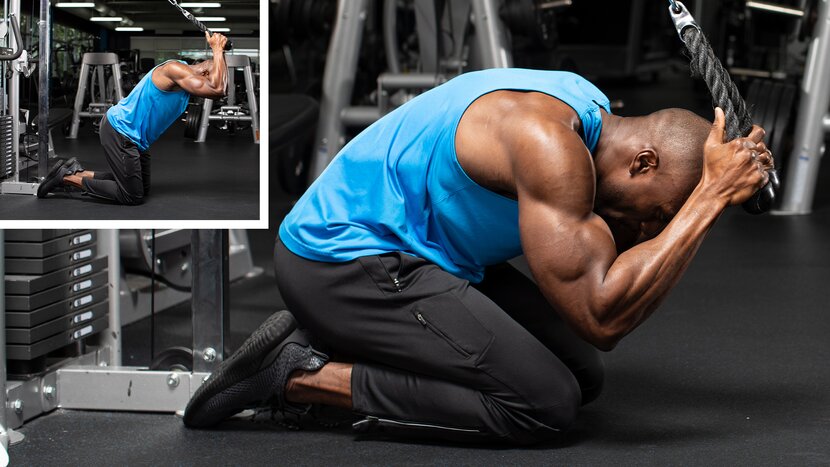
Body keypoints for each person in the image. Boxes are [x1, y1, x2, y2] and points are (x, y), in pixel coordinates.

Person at [183, 69, 773, 444]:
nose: (650, 229)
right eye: (659, 212)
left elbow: (599, 316)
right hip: (340, 259)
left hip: (430, 251)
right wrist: (711, 197)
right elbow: (602, 316)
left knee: (582, 378)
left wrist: (702, 197)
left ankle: (349, 340)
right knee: (544, 405)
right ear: (642, 162)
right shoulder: (550, 148)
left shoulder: (589, 111)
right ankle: (297, 376)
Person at [36, 32, 229, 205]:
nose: (206, 89)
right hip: (121, 131)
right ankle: (66, 178)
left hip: (136, 140)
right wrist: (217, 50)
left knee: (141, 188)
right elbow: (217, 89)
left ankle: (78, 172)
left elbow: (222, 87)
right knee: (132, 196)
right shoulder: (174, 69)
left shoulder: (187, 84)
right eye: (210, 79)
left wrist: (221, 55)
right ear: (204, 73)